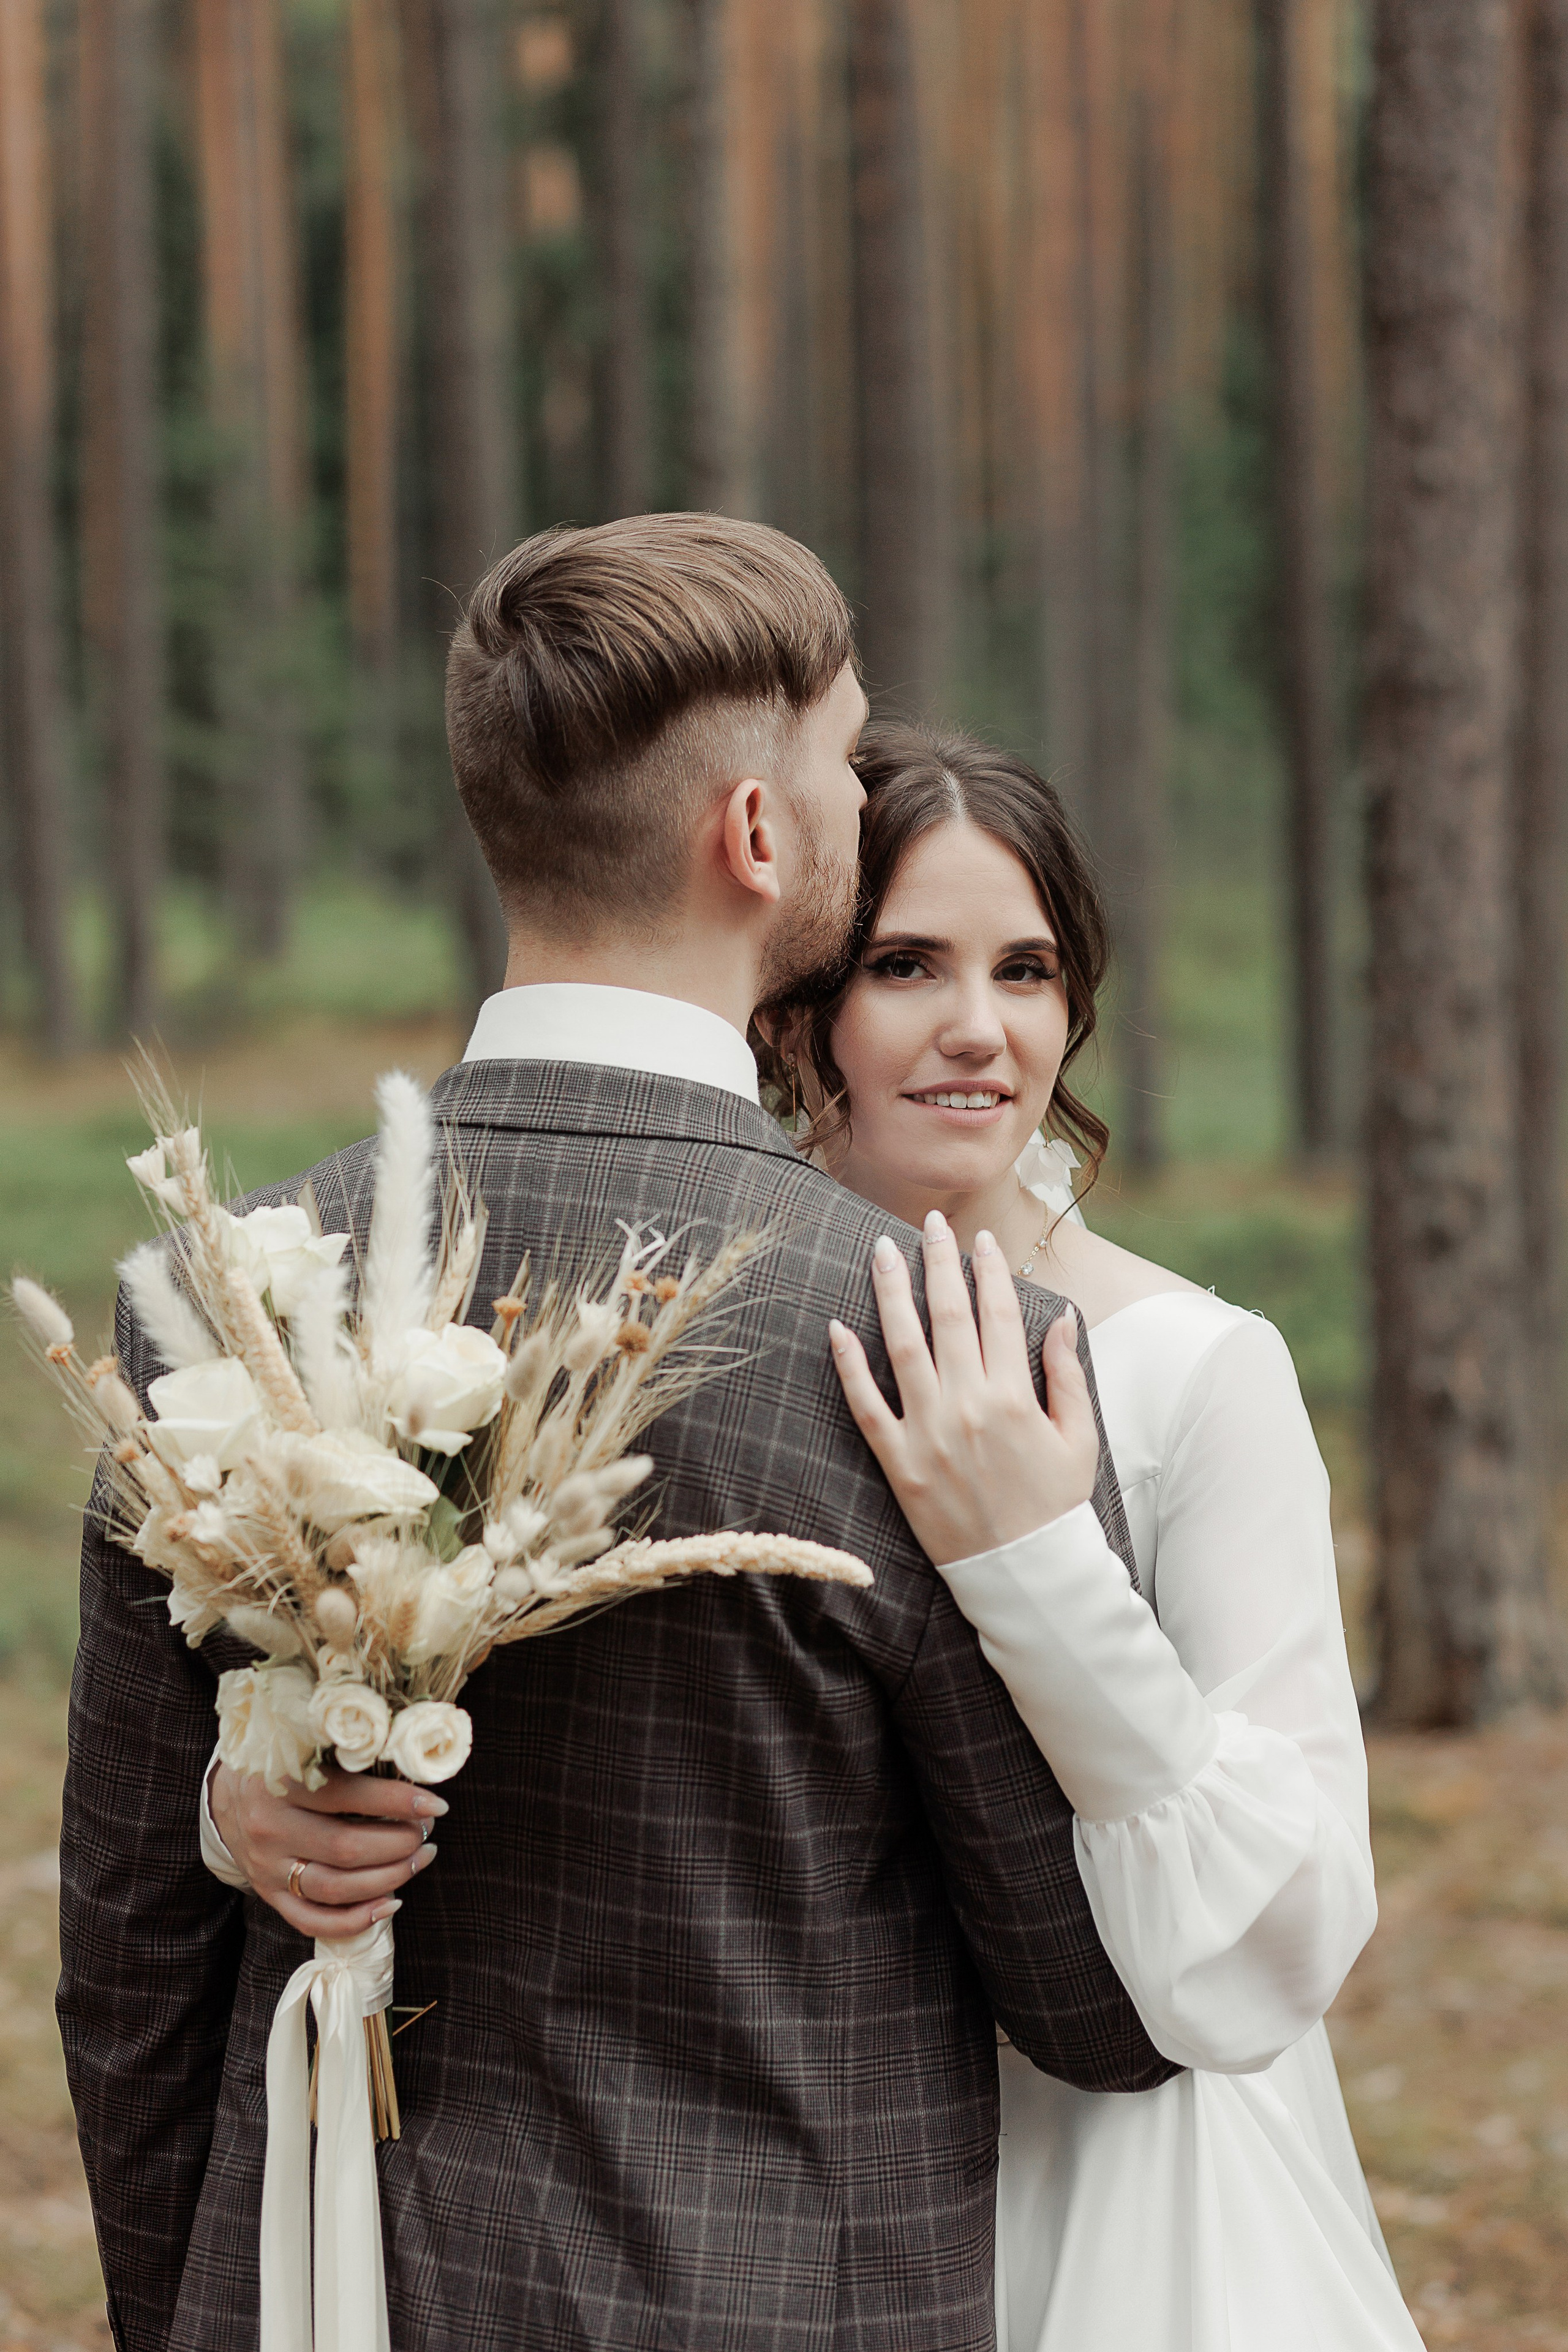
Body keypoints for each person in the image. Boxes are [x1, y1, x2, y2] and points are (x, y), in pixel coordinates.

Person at [57, 518, 1175, 2352]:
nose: (856, 797)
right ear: (754, 836)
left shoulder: (219, 1306)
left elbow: (130, 1963)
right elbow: (1096, 2006)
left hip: (312, 2289)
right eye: (842, 755)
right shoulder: (948, 1350)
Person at [758, 721, 1423, 2351]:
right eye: (909, 963)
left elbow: (1296, 1921)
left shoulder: (1200, 1370)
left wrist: (1042, 1559)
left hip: (1130, 2193)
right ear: (803, 1005)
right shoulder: (718, 1344)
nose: (980, 1031)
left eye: (1030, 970)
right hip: (786, 2182)